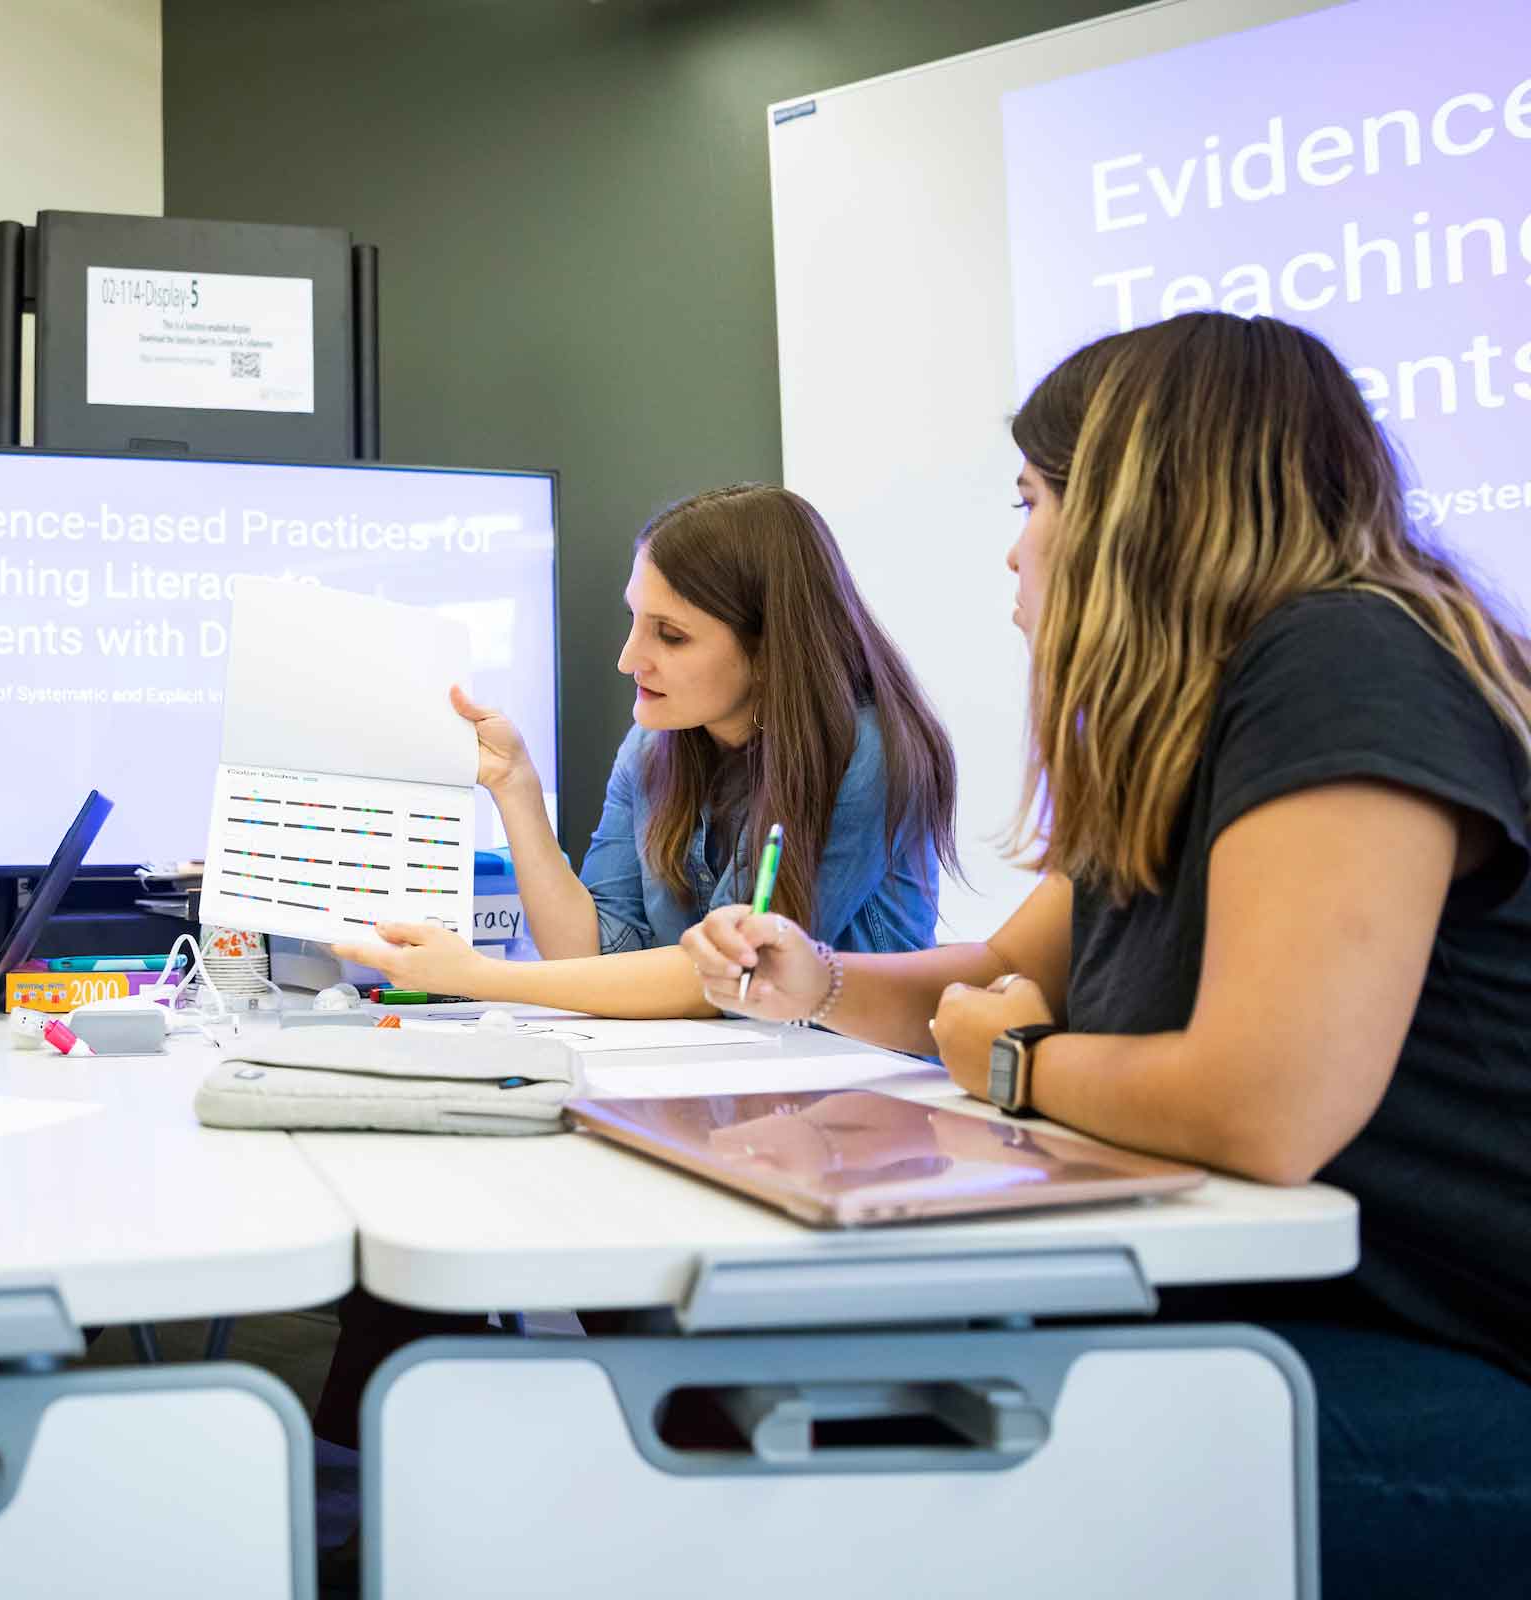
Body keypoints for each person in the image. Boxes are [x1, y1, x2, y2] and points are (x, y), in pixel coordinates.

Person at [683, 313, 1531, 1595]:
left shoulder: (1346, 660)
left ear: (1138, 505)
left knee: (828, 1482)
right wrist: (823, 982)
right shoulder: (1199, 719)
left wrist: (1019, 1065)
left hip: (1469, 1365)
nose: (1014, 546)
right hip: (1310, 1314)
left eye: (1032, 498)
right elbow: (983, 986)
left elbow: (1264, 1109)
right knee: (764, 1390)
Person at [332, 483, 960, 1017]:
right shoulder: (654, 745)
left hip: (862, 1088)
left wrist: (477, 978)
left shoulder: (867, 755)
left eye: (672, 636)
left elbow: (725, 980)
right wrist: (514, 784)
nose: (629, 659)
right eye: (635, 620)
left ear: (771, 651)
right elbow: (584, 954)